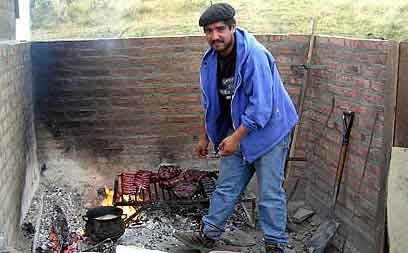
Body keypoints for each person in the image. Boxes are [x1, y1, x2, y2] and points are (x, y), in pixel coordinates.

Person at [175, 3, 298, 253]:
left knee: (269, 194)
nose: (214, 36)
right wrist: (206, 136)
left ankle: (276, 245)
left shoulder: (255, 55)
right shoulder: (210, 60)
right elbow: (211, 101)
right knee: (226, 186)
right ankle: (208, 236)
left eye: (220, 29)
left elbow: (261, 106)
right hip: (238, 131)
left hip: (270, 132)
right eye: (209, 31)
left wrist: (236, 138)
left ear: (233, 27)